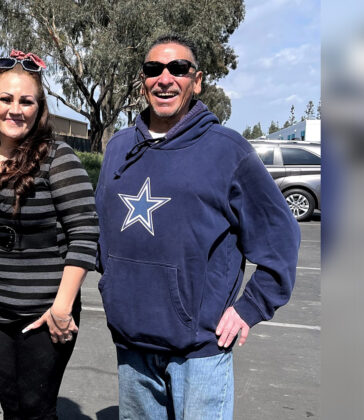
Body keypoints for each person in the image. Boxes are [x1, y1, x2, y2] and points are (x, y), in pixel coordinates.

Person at [95, 35, 301, 419]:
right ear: (143, 82)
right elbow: (100, 229)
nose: (165, 78)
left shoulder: (228, 150)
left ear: (197, 80)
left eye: (178, 68)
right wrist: (113, 290)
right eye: (154, 69)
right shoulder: (119, 147)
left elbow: (280, 237)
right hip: (132, 345)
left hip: (200, 351)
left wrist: (251, 306)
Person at [0, 50, 99, 420]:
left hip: (45, 314)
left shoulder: (58, 158)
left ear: (38, 108)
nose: (15, 109)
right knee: (13, 408)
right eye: (6, 99)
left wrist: (63, 308)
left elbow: (85, 233)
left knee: (36, 410)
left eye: (26, 101)